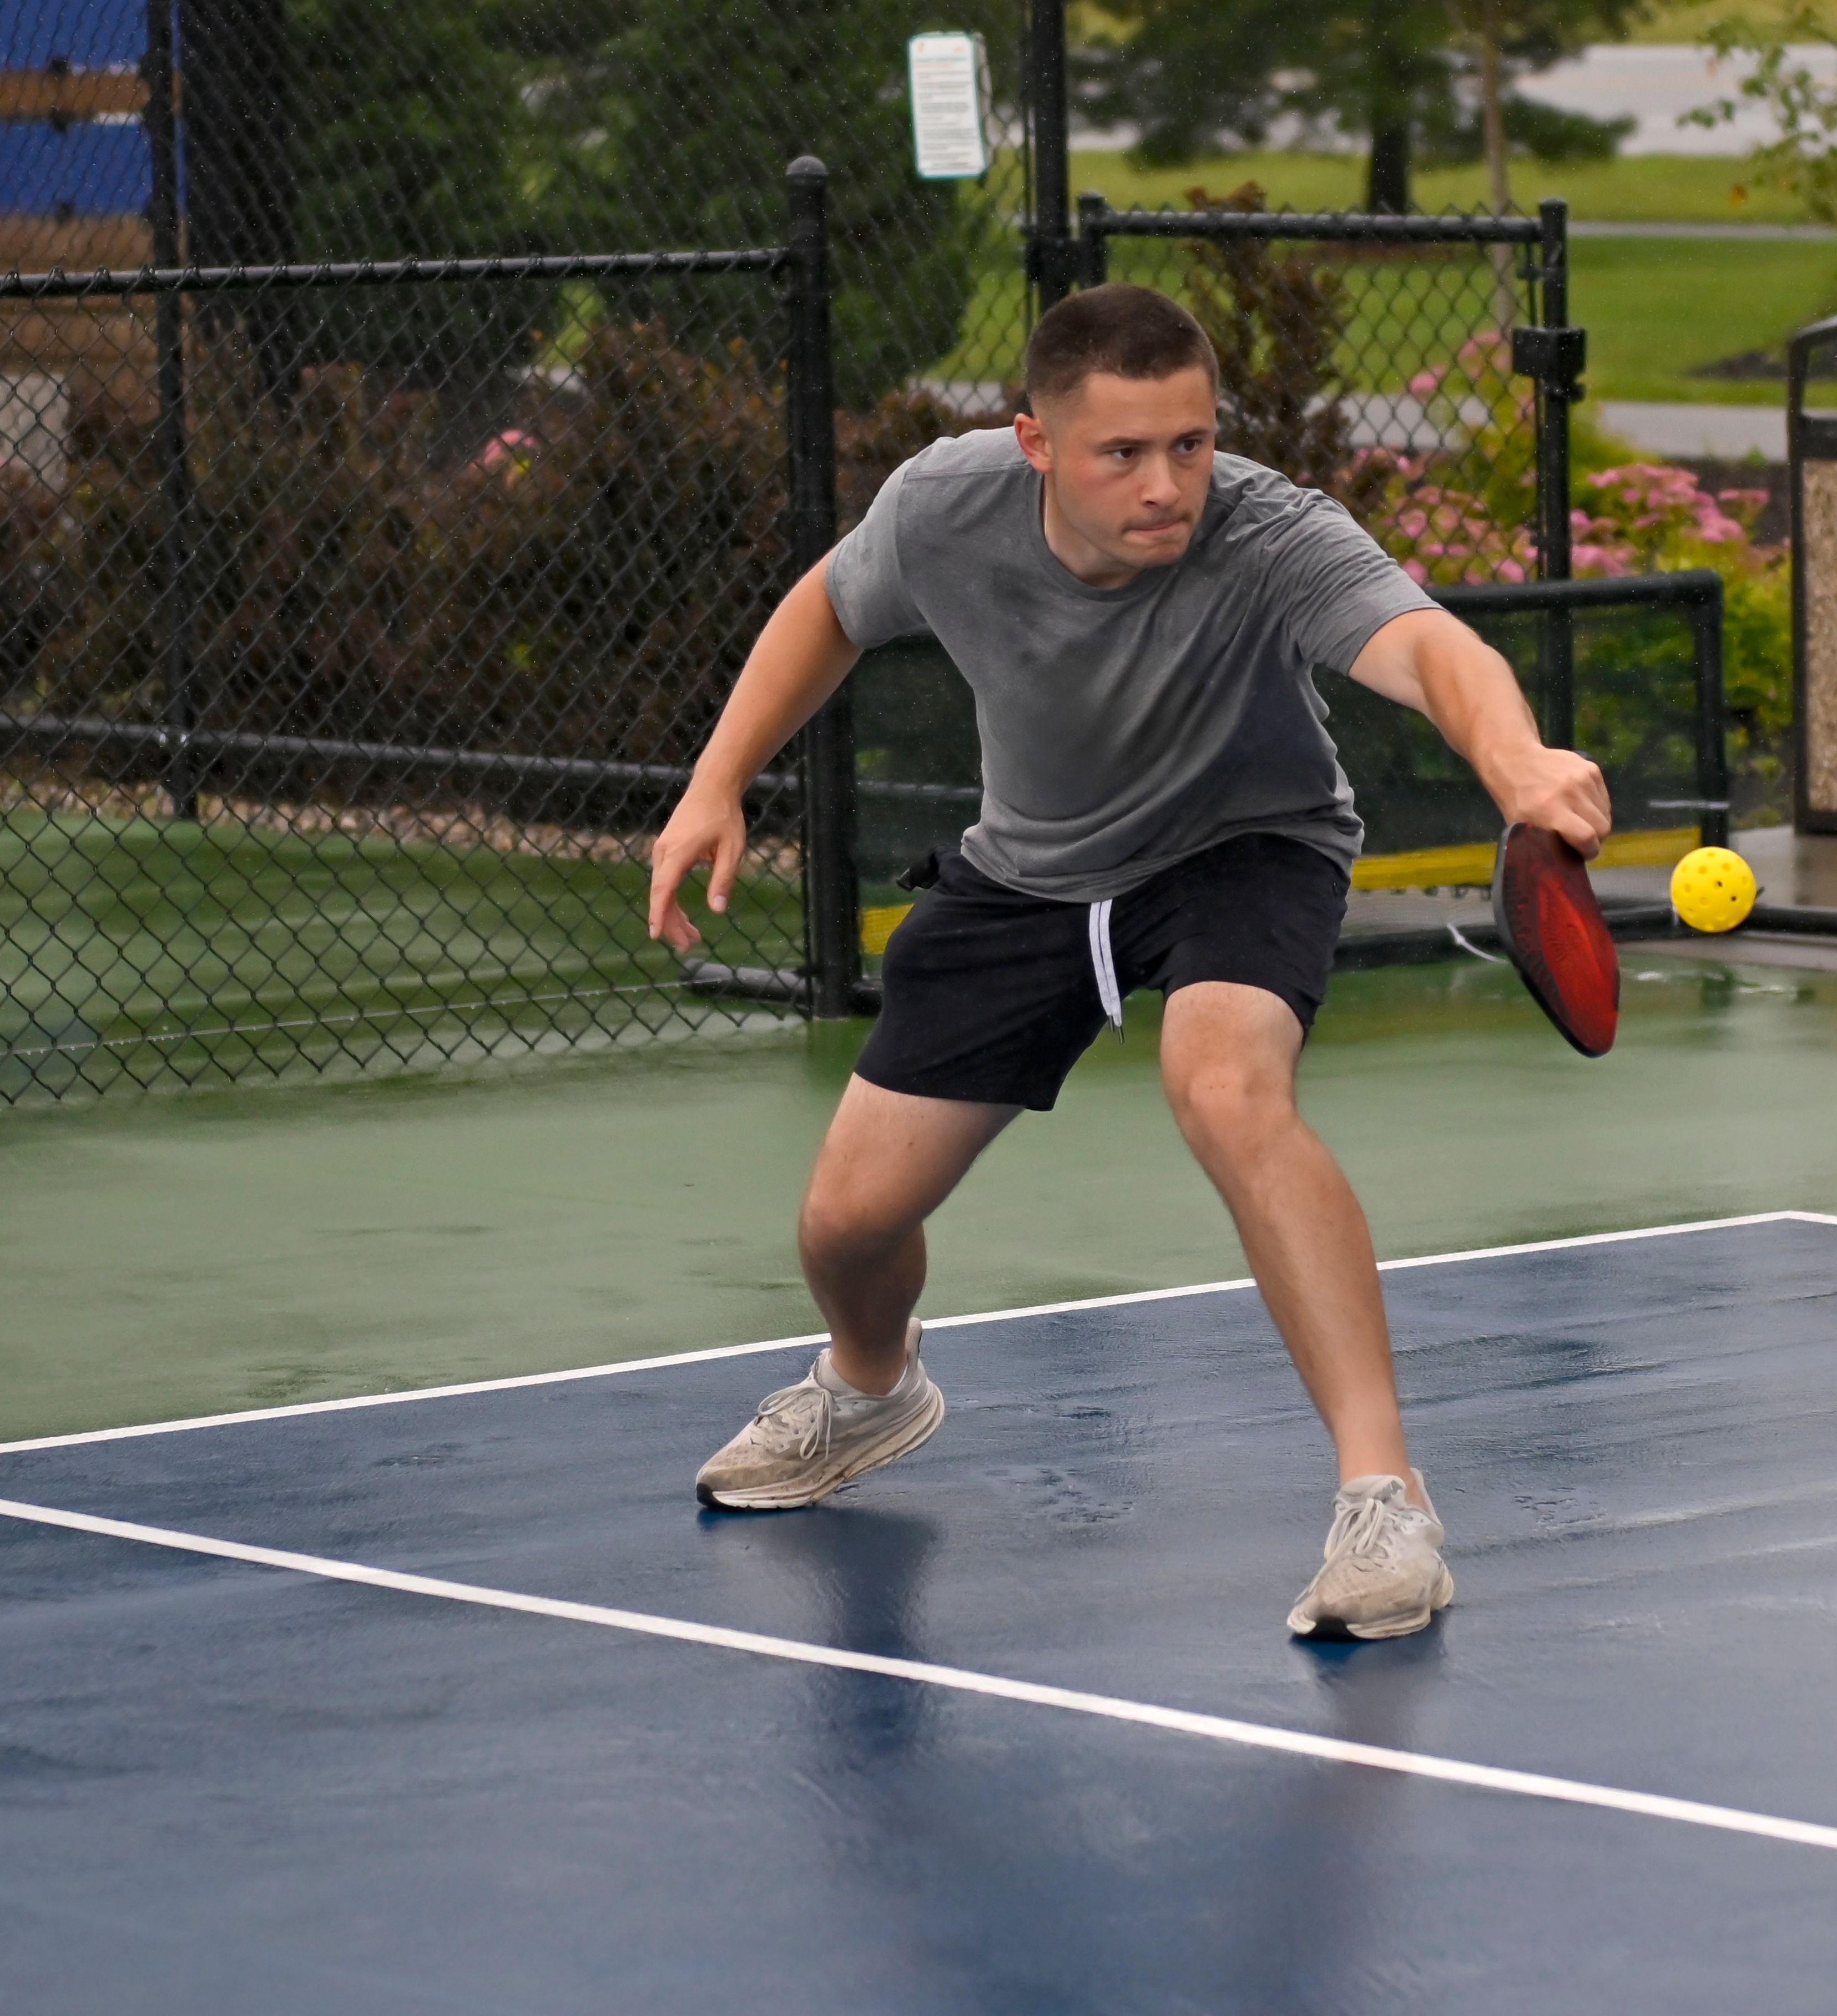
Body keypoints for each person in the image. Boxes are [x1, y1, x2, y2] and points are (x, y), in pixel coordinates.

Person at [645, 284, 1608, 1641]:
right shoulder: (945, 505)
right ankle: (870, 1386)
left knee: (1224, 1087)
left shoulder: (1272, 531)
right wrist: (716, 783)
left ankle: (1384, 1504)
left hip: (1242, 846)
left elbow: (1432, 651)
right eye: (1124, 454)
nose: (1168, 485)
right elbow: (831, 606)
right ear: (1035, 442)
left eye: (1192, 444)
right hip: (1029, 872)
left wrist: (1515, 762)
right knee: (847, 1225)